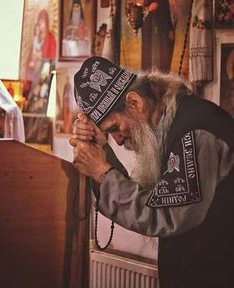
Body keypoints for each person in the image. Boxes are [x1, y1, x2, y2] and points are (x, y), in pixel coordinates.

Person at [69, 56, 234, 288]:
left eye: (114, 128)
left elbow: (164, 213)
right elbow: (154, 197)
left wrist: (102, 172)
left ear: (134, 102)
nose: (117, 140)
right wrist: (101, 151)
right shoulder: (169, 125)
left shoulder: (196, 131)